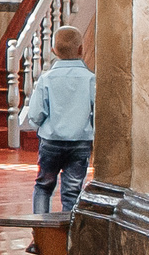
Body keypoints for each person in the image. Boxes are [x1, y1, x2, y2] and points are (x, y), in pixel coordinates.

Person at [23, 26, 96, 214]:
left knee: (43, 187)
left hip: (51, 142)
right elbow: (98, 113)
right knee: (72, 192)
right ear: (81, 49)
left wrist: (39, 126)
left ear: (54, 51)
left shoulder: (46, 79)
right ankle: (67, 238)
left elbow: (36, 114)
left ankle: (40, 235)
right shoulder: (90, 79)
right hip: (80, 142)